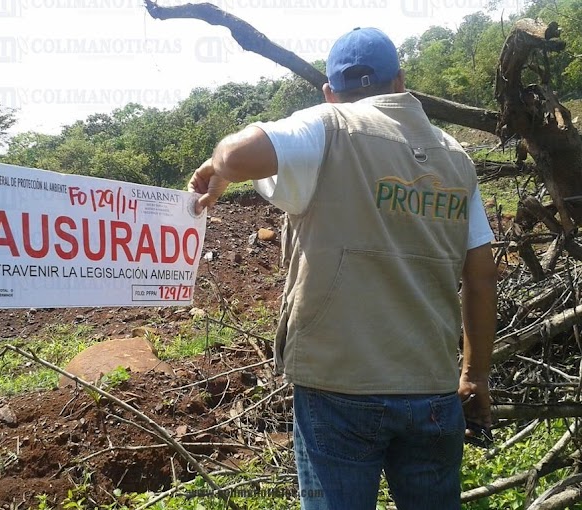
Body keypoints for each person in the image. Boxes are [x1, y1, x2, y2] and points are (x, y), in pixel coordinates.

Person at [188, 27, 497, 510]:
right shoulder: (454, 156)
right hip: (433, 391)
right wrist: (474, 373)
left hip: (339, 390)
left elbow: (236, 154)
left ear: (330, 92)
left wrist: (220, 167)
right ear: (401, 82)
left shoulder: (328, 126)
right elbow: (480, 277)